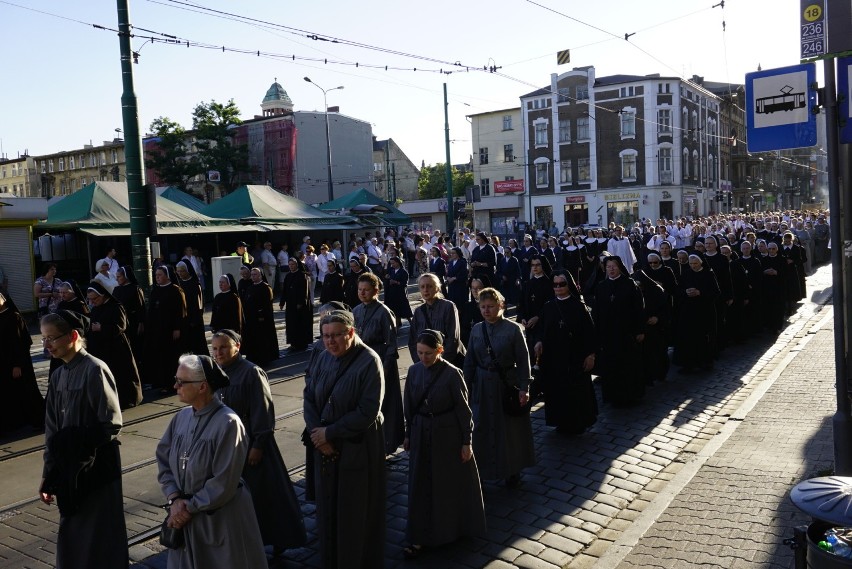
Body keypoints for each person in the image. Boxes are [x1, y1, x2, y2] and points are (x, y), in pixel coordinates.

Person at [156, 354, 267, 568]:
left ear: (202, 387)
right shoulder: (181, 417)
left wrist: (188, 507)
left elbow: (224, 481)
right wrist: (174, 498)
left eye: (181, 381)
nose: (175, 385)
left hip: (217, 519)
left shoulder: (228, 423)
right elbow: (163, 458)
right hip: (184, 515)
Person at [39, 311, 128, 568]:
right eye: (44, 339)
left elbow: (112, 424)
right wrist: (49, 473)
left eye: (51, 338)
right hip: (69, 469)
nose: (47, 345)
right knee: (73, 534)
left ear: (74, 336)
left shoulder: (95, 370)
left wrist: (77, 444)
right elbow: (52, 430)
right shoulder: (58, 376)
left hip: (97, 467)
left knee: (101, 535)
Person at [211, 331, 306, 555]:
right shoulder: (216, 373)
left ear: (237, 347)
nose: (218, 353)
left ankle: (275, 539)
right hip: (228, 447)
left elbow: (262, 411)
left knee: (264, 497)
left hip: (252, 445)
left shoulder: (251, 372)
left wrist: (258, 445)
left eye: (223, 347)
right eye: (214, 349)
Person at [304, 310, 386, 569]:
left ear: (351, 333)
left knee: (354, 510)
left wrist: (330, 433)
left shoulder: (369, 360)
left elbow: (367, 411)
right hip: (323, 445)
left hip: (356, 447)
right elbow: (308, 395)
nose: (330, 342)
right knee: (327, 509)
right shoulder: (322, 355)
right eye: (325, 336)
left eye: (336, 336)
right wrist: (318, 434)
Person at [402, 329, 486, 559]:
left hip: (446, 435)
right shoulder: (413, 371)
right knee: (420, 485)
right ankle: (419, 535)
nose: (423, 357)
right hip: (420, 432)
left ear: (440, 351)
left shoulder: (452, 374)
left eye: (428, 353)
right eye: (419, 352)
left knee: (445, 486)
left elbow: (463, 410)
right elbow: (408, 406)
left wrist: (466, 441)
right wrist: (408, 434)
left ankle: (451, 530)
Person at [463, 287, 535, 487]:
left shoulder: (513, 329)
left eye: (491, 307)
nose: (486, 311)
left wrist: (524, 387)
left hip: (506, 386)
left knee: (508, 431)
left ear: (501, 306)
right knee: (482, 428)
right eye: (483, 307)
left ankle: (512, 469)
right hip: (482, 387)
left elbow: (523, 360)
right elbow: (469, 360)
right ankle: (482, 470)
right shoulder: (477, 329)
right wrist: (465, 386)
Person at [533, 272, 598, 433]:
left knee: (575, 393)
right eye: (555, 285)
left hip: (574, 358)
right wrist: (539, 341)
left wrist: (591, 355)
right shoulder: (548, 306)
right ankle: (560, 422)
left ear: (568, 284)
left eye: (561, 284)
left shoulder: (579, 306)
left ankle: (578, 423)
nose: (558, 288)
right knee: (557, 392)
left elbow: (590, 333)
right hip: (554, 359)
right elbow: (541, 329)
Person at [353, 273, 404, 455]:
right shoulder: (356, 310)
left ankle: (387, 443)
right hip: (362, 361)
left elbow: (391, 343)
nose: (362, 293)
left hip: (382, 360)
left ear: (376, 291)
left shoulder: (383, 312)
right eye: (360, 289)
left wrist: (385, 368)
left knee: (386, 403)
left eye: (366, 290)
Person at [592, 256, 646, 406]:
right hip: (607, 335)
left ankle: (630, 396)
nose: (611, 269)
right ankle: (612, 396)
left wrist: (640, 330)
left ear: (620, 267)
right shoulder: (601, 286)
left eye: (614, 266)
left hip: (626, 333)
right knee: (610, 367)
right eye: (608, 267)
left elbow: (639, 309)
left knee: (627, 366)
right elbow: (596, 312)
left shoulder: (630, 284)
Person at [86, 282, 143, 409]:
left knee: (120, 375)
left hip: (117, 348)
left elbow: (121, 327)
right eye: (90, 299)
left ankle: (126, 399)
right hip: (101, 348)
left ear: (103, 295)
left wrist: (102, 328)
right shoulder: (95, 309)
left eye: (95, 299)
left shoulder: (116, 307)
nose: (92, 302)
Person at [0, 291, 44, 434]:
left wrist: (17, 365)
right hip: (3, 363)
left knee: (26, 391)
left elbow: (20, 343)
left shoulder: (14, 317)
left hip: (16, 363)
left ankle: (38, 420)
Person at [143, 266, 187, 391]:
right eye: (156, 275)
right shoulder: (155, 290)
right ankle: (159, 382)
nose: (157, 277)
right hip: (157, 330)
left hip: (170, 330)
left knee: (170, 357)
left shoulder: (176, 290)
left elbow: (181, 311)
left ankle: (171, 383)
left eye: (160, 275)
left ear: (167, 275)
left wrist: (177, 328)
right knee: (159, 357)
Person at [674, 255, 721, 372]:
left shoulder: (708, 274)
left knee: (703, 337)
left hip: (704, 311)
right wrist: (686, 292)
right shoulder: (686, 273)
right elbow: (678, 290)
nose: (693, 266)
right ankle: (688, 364)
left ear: (701, 263)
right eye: (691, 264)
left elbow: (716, 292)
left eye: (695, 263)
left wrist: (700, 292)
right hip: (688, 311)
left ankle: (705, 362)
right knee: (688, 337)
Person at [408, 273, 465, 366]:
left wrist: (440, 363)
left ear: (437, 288)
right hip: (425, 364)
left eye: (429, 286)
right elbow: (413, 341)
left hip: (448, 363)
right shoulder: (418, 312)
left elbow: (453, 339)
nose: (425, 290)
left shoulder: (448, 307)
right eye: (422, 287)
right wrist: (420, 362)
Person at [242, 267, 280, 365]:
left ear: (260, 275)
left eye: (255, 274)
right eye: (252, 274)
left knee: (263, 339)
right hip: (251, 319)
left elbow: (267, 304)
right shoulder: (250, 288)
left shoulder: (265, 287)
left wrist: (261, 315)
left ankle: (265, 358)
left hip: (262, 319)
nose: (253, 276)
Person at [112, 266, 145, 363]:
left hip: (133, 321)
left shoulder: (135, 289)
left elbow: (141, 307)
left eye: (119, 276)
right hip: (120, 321)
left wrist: (141, 322)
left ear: (126, 276)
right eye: (116, 277)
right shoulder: (116, 289)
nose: (117, 279)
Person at [280, 258, 313, 353]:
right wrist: (282, 302)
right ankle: (293, 343)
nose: (291, 266)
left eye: (293, 264)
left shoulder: (302, 276)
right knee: (291, 324)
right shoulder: (288, 276)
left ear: (296, 265)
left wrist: (300, 302)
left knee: (300, 324)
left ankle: (302, 343)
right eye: (289, 264)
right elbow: (285, 290)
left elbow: (304, 291)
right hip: (290, 304)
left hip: (300, 305)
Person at [176, 260, 208, 356]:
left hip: (194, 321)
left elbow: (200, 304)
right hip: (183, 321)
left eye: (182, 271)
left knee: (198, 347)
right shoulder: (179, 284)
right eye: (178, 271)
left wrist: (194, 320)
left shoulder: (195, 284)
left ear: (188, 271)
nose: (180, 273)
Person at [384, 256, 413, 326]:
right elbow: (387, 280)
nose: (392, 265)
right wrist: (387, 278)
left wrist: (396, 282)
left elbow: (405, 284)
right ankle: (397, 325)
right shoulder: (391, 270)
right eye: (391, 263)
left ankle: (412, 324)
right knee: (396, 311)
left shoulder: (403, 272)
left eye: (393, 263)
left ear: (398, 263)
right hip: (393, 294)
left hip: (401, 294)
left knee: (405, 312)